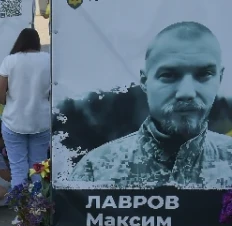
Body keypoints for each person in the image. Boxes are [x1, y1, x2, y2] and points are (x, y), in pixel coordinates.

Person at [71, 21, 232, 187]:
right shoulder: (95, 170)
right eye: (169, 75)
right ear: (144, 81)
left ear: (219, 78)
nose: (186, 92)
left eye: (204, 74)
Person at [0, 28, 50, 189]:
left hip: (14, 122)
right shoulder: (49, 59)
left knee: (18, 170)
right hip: (41, 121)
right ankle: (39, 211)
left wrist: (11, 102)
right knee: (39, 168)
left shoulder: (10, 60)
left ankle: (22, 213)